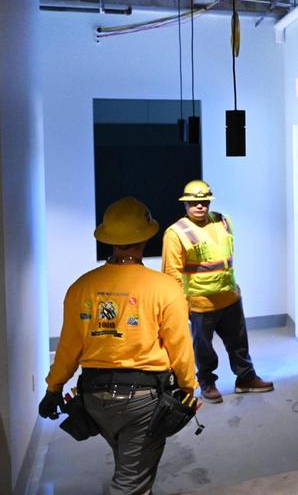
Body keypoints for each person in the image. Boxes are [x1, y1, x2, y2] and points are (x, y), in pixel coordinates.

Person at [40, 197, 198, 495]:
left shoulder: (81, 287)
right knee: (130, 484)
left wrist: (53, 388)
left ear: (109, 239)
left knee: (129, 464)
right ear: (146, 237)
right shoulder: (165, 288)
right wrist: (189, 387)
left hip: (94, 398)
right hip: (142, 400)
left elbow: (69, 347)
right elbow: (179, 346)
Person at [162, 179, 273, 404]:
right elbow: (171, 273)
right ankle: (207, 383)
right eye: (194, 203)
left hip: (230, 298)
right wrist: (181, 306)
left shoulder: (223, 222)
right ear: (185, 205)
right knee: (203, 348)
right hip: (201, 303)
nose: (200, 206)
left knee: (239, 343)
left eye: (204, 201)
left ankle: (246, 379)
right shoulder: (176, 233)